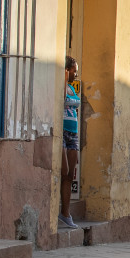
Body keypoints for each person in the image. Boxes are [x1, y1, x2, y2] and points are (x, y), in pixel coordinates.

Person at [58, 56, 80, 230]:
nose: (76, 73)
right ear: (67, 70)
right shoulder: (62, 86)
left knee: (70, 175)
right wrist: (64, 77)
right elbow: (62, 99)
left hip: (73, 133)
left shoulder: (72, 88)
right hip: (62, 131)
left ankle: (66, 214)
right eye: (73, 70)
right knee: (63, 170)